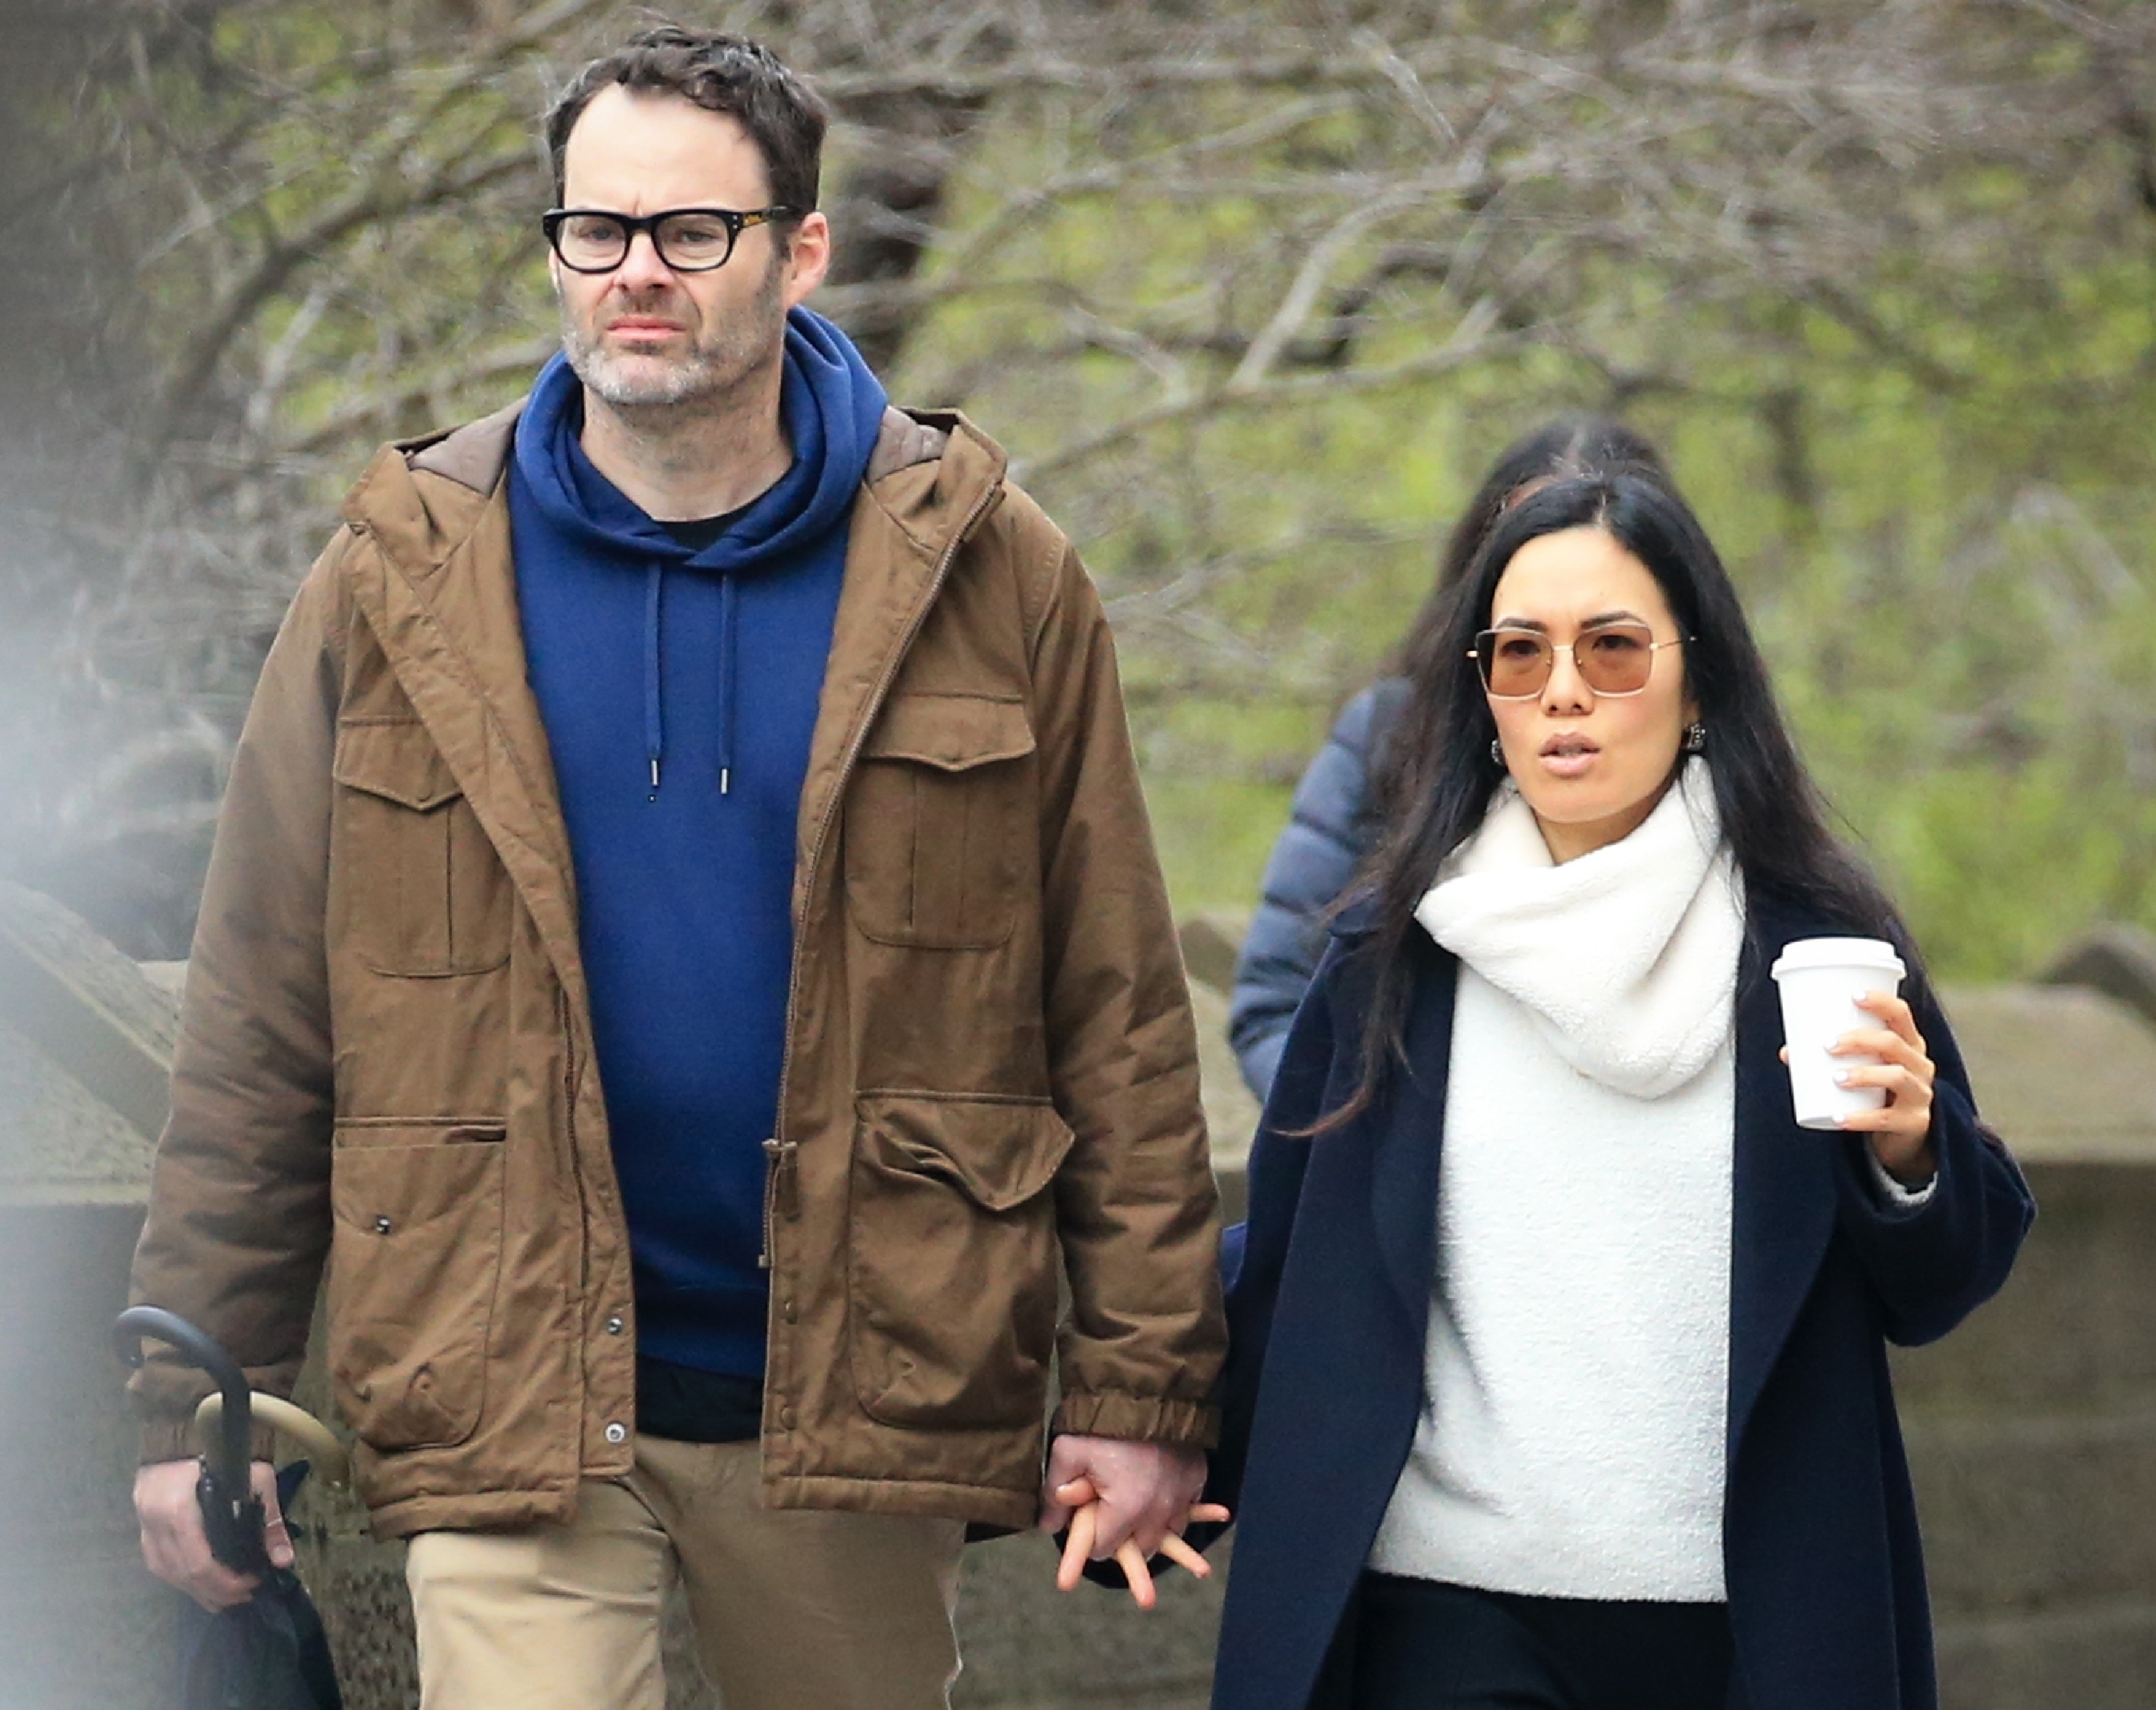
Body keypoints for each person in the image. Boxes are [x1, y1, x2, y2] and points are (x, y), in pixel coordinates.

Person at [125, 25, 1225, 1710]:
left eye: (692, 231)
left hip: (863, 1392)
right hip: (506, 1389)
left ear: (800, 249)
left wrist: (1142, 1388)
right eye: (597, 228)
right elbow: (260, 1013)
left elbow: (1118, 1011)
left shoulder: (987, 572)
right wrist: (196, 1399)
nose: (636, 271)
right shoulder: (401, 575)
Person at [1204, 470, 2034, 1710]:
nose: (1564, 693)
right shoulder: (1393, 955)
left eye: (1613, 649)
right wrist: (1141, 1436)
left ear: (1700, 680)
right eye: (1519, 654)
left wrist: (1913, 1154)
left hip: (1751, 1619)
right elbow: (1287, 1268)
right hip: (1443, 1607)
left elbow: (1942, 1285)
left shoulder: (1815, 946)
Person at [1228, 418, 1672, 1101]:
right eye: (1527, 546)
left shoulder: (1730, 802)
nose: (1564, 689)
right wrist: (1376, 1139)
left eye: (1610, 639)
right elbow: (1275, 1000)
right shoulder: (1389, 735)